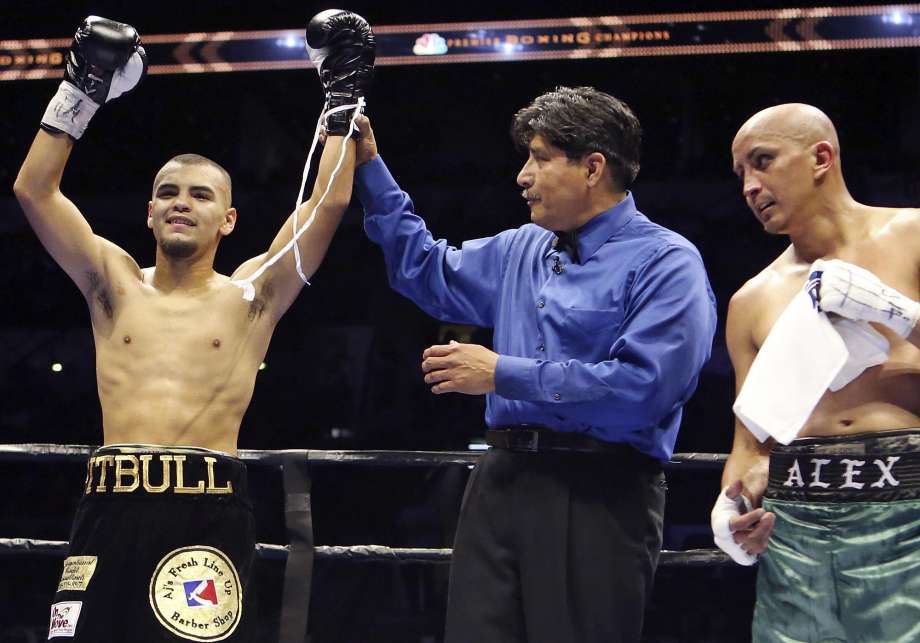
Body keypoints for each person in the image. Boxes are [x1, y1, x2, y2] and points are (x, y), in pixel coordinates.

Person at [13, 12, 373, 642]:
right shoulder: (112, 284)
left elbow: (328, 204)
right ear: (149, 212)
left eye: (200, 195)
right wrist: (82, 88)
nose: (182, 201)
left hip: (207, 515)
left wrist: (343, 95)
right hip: (108, 511)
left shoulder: (251, 295)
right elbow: (34, 191)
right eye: (169, 191)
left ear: (228, 220)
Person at [352, 86, 717, 643]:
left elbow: (646, 388)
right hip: (500, 481)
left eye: (541, 158)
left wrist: (502, 373)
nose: (523, 175)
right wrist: (370, 166)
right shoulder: (522, 248)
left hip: (601, 490)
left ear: (593, 167)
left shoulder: (666, 262)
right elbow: (424, 270)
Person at [716, 103, 920, 642]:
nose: (750, 187)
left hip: (910, 514)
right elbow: (750, 444)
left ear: (820, 158)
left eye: (763, 162)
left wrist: (901, 318)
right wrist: (731, 511)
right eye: (741, 174)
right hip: (794, 528)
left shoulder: (915, 236)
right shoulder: (750, 301)